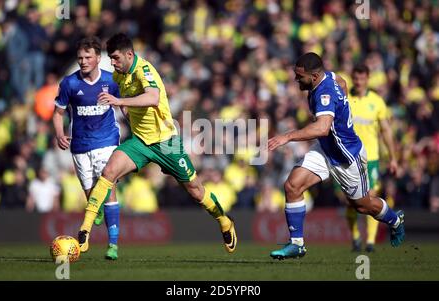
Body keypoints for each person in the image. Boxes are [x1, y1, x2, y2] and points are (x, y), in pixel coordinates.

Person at [77, 33, 237, 254]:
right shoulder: (118, 76)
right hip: (140, 142)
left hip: (166, 142)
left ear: (129, 54)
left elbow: (152, 98)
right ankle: (85, 232)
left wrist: (120, 101)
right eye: (111, 59)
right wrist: (124, 108)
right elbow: (124, 100)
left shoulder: (145, 70)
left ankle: (224, 221)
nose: (112, 63)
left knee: (195, 191)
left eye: (115, 58)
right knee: (109, 172)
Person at [267, 53, 405, 260]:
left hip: (347, 157)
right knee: (292, 186)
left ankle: (395, 220)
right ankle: (297, 244)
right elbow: (342, 80)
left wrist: (287, 136)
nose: (296, 80)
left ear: (314, 77)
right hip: (325, 150)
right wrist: (345, 104)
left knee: (362, 205)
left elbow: (322, 128)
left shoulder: (325, 93)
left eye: (299, 76)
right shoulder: (328, 77)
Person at [53, 36, 121, 260]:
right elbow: (58, 113)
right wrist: (60, 134)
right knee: (91, 194)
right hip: (80, 145)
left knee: (108, 189)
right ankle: (95, 211)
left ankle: (112, 245)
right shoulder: (69, 83)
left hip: (107, 141)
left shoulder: (112, 81)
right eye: (80, 58)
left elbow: (125, 107)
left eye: (87, 57)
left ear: (98, 58)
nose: (83, 61)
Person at [345, 64, 399, 252]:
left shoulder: (377, 102)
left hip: (371, 158)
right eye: (356, 78)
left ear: (368, 78)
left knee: (371, 198)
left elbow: (386, 131)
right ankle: (355, 237)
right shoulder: (345, 98)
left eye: (362, 78)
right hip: (348, 157)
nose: (359, 82)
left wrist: (393, 157)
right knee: (351, 202)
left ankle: (370, 242)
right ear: (352, 78)